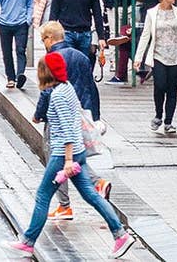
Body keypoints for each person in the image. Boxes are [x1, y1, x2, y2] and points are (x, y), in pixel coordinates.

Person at [4, 51, 133, 258]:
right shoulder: (67, 88)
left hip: (61, 155)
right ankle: (120, 234)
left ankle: (28, 241)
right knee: (90, 194)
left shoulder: (57, 95)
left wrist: (68, 160)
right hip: (77, 153)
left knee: (43, 195)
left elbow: (68, 129)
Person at [32, 21, 108, 220]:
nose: (43, 44)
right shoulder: (81, 56)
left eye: (43, 40)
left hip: (58, 114)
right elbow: (91, 86)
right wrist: (95, 114)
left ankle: (65, 205)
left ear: (50, 38)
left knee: (56, 156)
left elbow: (47, 90)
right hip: (80, 110)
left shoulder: (51, 58)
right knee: (75, 156)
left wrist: (38, 114)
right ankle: (97, 183)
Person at [133, 0, 177, 134]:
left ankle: (169, 121)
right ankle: (158, 114)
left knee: (172, 89)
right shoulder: (152, 13)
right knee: (160, 85)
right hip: (158, 55)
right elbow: (146, 35)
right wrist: (138, 57)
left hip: (176, 55)